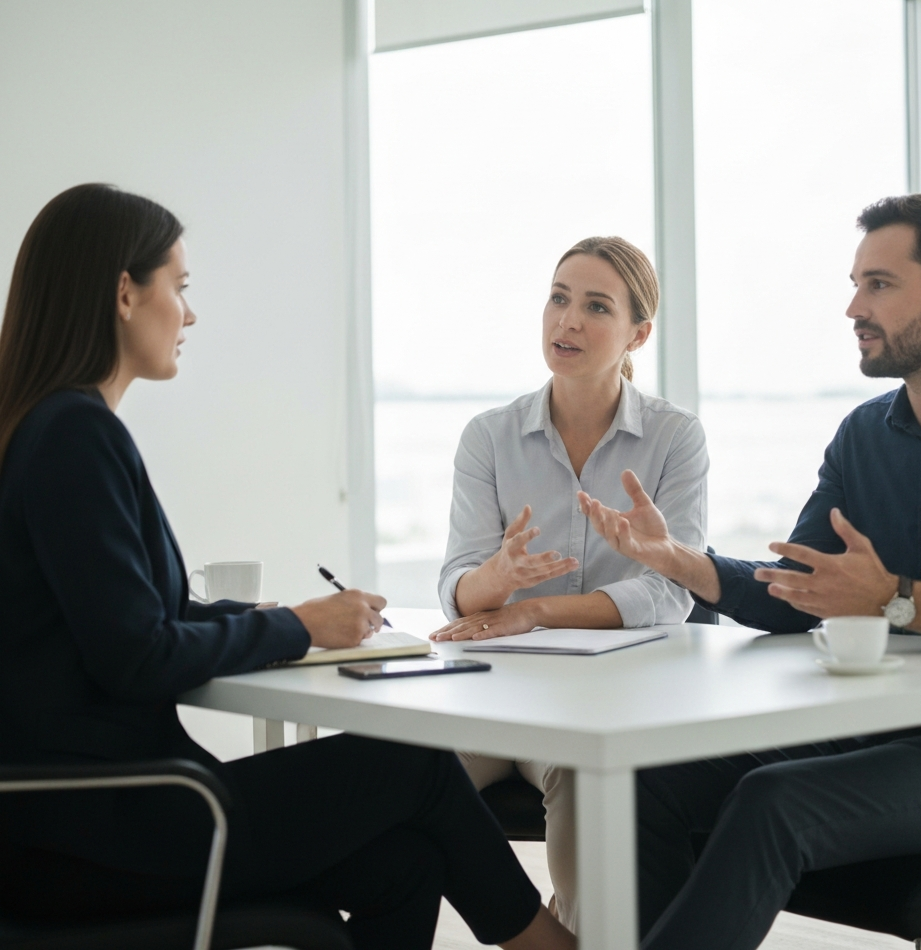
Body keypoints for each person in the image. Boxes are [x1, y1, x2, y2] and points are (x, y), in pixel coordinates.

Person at [0, 184, 574, 950]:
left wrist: (297, 624)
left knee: (403, 864)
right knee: (415, 767)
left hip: (75, 823)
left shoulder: (41, 428)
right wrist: (295, 626)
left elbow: (145, 621)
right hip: (111, 827)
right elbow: (136, 655)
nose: (191, 314)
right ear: (125, 294)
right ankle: (550, 946)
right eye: (181, 287)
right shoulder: (75, 433)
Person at [578, 193, 921, 950]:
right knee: (651, 779)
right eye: (854, 283)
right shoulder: (864, 435)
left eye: (879, 284)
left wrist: (895, 601)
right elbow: (797, 596)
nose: (852, 307)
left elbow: (889, 601)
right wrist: (680, 561)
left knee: (773, 801)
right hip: (874, 728)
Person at [430, 236, 709, 931]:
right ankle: (540, 935)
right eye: (558, 298)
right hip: (497, 691)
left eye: (594, 306)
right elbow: (457, 588)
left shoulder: (675, 439)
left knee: (585, 775)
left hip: (607, 704)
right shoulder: (489, 437)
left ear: (637, 333)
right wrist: (492, 579)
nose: (568, 322)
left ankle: (587, 933)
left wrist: (537, 611)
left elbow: (671, 592)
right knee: (406, 781)